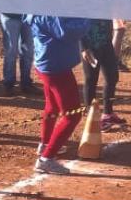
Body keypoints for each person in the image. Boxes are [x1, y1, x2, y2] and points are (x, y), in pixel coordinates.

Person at [28, 15, 91, 175]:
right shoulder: (47, 12)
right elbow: (67, 32)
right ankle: (46, 159)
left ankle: (45, 145)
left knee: (52, 107)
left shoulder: (40, 9)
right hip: (55, 67)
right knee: (73, 115)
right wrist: (88, 18)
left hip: (48, 63)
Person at [80, 19, 126, 132]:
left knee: (112, 77)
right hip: (90, 45)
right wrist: (83, 48)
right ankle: (92, 118)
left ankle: (108, 114)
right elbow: (79, 22)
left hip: (106, 43)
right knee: (91, 80)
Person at [0, 13, 36, 95]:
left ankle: (26, 83)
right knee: (11, 51)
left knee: (28, 51)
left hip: (29, 15)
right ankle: (8, 85)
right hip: (9, 15)